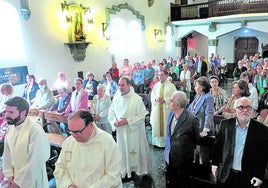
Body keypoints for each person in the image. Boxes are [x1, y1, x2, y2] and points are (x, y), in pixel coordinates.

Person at [54, 109, 122, 188]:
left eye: (77, 132)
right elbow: (60, 167)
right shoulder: (69, 142)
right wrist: (68, 185)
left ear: (91, 126)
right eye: (70, 131)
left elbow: (113, 175)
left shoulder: (107, 142)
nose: (73, 136)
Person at [212, 97, 268, 188]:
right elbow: (217, 146)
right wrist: (214, 164)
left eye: (248, 107)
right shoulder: (225, 125)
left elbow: (263, 155)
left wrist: (259, 175)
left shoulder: (262, 130)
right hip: (226, 174)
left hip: (248, 177)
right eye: (241, 107)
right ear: (235, 110)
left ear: (252, 110)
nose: (245, 110)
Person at [108, 76, 151, 179]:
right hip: (121, 131)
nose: (120, 87)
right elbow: (111, 112)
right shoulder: (117, 97)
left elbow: (142, 114)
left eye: (123, 85)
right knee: (123, 150)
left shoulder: (136, 99)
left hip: (134, 132)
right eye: (119, 85)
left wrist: (128, 121)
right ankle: (125, 170)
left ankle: (137, 169)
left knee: (134, 150)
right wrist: (114, 122)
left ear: (129, 85)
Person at [2, 96, 50, 187]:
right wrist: (9, 175)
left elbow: (35, 160)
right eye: (6, 111)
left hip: (32, 179)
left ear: (23, 113)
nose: (6, 115)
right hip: (14, 177)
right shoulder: (11, 127)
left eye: (11, 112)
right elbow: (7, 154)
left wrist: (19, 182)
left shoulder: (35, 130)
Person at [165, 91, 200, 188]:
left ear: (178, 105)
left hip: (183, 160)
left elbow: (196, 139)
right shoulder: (171, 114)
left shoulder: (192, 120)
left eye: (171, 100)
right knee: (171, 182)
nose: (169, 102)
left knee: (183, 183)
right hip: (169, 156)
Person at [188, 76, 214, 165]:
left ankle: (204, 172)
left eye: (196, 86)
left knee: (203, 153)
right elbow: (191, 109)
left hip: (203, 128)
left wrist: (206, 128)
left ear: (202, 87)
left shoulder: (208, 97)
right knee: (195, 152)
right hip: (195, 127)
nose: (194, 87)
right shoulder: (197, 95)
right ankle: (195, 171)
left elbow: (209, 113)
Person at [150, 70, 177, 148]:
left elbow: (174, 97)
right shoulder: (156, 85)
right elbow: (153, 95)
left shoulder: (171, 86)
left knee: (166, 124)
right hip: (157, 108)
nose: (160, 76)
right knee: (157, 123)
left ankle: (166, 142)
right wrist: (156, 99)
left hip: (166, 109)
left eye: (162, 75)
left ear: (166, 76)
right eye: (159, 75)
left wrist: (165, 100)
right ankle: (157, 142)